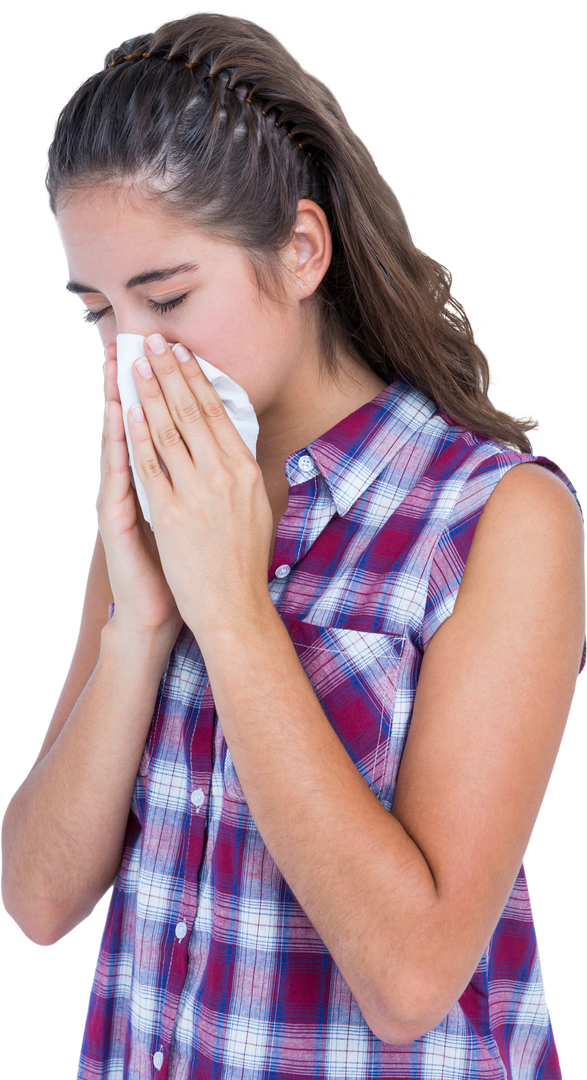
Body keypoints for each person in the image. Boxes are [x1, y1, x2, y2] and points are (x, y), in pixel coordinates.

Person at [1, 7, 585, 1078]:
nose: (133, 356)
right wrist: (138, 623)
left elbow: (411, 979)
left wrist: (230, 611)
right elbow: (38, 902)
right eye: (97, 313)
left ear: (301, 250)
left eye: (167, 296)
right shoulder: (156, 501)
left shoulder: (497, 518)